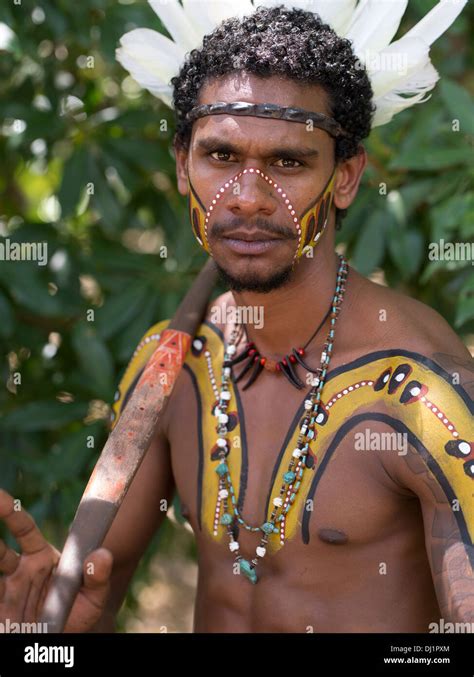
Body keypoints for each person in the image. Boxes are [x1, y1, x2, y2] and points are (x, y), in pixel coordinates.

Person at [1, 4, 472, 633]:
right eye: (221, 157)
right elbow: (90, 598)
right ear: (181, 166)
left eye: (288, 163)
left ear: (347, 176)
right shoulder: (172, 366)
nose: (247, 198)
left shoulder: (427, 399)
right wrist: (40, 631)